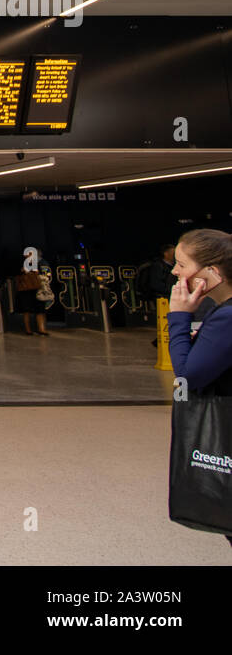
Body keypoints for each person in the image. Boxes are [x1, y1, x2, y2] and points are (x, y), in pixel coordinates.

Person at [165, 228, 232, 550]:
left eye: (182, 264)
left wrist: (178, 317)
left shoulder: (227, 318)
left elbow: (187, 379)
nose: (175, 272)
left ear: (212, 272)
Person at [13, 248, 51, 336]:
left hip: (36, 288)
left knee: (40, 309)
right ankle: (28, 330)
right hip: (26, 289)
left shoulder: (39, 263)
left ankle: (41, 328)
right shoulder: (22, 263)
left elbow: (45, 274)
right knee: (27, 310)